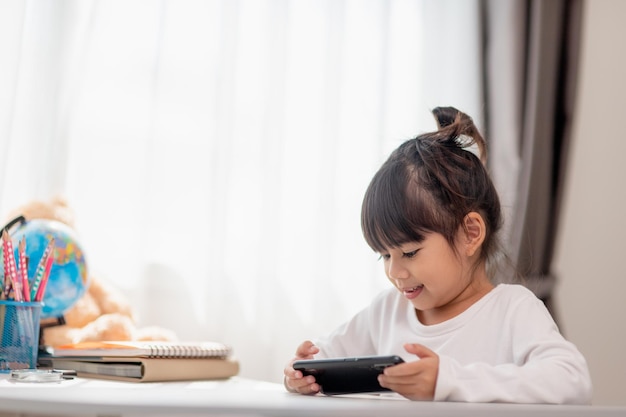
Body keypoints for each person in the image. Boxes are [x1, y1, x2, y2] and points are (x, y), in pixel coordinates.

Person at [283, 106, 592, 404]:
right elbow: (325, 355)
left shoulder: (513, 310)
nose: (395, 272)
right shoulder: (387, 311)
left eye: (409, 252)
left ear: (470, 234)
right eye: (384, 256)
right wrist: (303, 373)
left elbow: (572, 381)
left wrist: (448, 380)